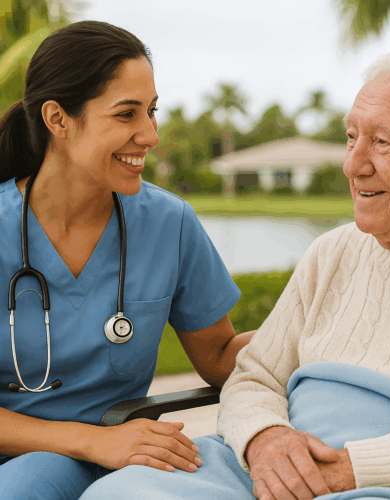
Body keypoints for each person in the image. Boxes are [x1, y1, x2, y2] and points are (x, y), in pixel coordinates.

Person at [80, 49, 390, 499]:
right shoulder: (332, 252)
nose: (353, 165)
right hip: (268, 469)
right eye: (351, 137)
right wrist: (265, 438)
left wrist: (352, 469)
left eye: (382, 142)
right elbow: (253, 376)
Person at [0, 20, 254, 499]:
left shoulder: (167, 222)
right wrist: (94, 442)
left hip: (124, 458)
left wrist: (317, 325)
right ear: (57, 119)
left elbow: (219, 357)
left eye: (152, 112)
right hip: (26, 459)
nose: (150, 135)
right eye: (126, 115)